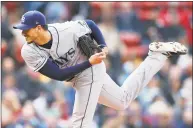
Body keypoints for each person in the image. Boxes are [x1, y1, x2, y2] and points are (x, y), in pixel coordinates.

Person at [13, 10, 188, 128]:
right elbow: (58, 75)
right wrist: (89, 61)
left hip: (91, 69)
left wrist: (102, 45)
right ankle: (157, 56)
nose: (22, 33)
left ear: (38, 28)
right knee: (122, 101)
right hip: (82, 69)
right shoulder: (28, 50)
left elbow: (90, 24)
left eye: (26, 30)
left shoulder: (66, 29)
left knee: (80, 123)